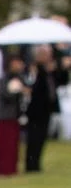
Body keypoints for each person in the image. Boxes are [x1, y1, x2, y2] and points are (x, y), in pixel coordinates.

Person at [24, 43, 60, 172]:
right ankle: (31, 164)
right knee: (34, 137)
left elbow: (60, 81)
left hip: (47, 109)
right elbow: (32, 85)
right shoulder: (35, 69)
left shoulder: (50, 70)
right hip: (35, 110)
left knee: (42, 137)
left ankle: (37, 163)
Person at [0, 54, 27, 176]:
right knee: (3, 144)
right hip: (5, 116)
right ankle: (0, 169)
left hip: (15, 115)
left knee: (13, 144)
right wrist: (16, 90)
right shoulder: (4, 79)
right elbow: (5, 94)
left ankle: (11, 168)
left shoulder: (20, 78)